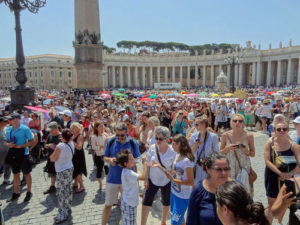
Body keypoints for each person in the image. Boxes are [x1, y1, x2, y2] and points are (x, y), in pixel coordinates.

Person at [101, 123, 140, 225]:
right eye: (117, 135)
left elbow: (138, 159)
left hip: (127, 181)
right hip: (112, 179)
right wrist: (110, 160)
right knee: (107, 205)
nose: (119, 137)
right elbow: (104, 157)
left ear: (126, 133)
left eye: (122, 135)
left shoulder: (132, 142)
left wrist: (128, 163)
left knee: (125, 207)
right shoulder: (111, 141)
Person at [264, 122, 300, 223]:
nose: (282, 131)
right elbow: (267, 161)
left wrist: (288, 174)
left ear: (288, 130)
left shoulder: (294, 146)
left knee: (288, 201)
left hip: (289, 177)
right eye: (279, 129)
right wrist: (280, 173)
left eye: (284, 129)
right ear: (274, 131)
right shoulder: (269, 143)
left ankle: (279, 221)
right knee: (271, 203)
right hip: (272, 175)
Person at [154, 134, 194, 225]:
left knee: (174, 222)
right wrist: (160, 167)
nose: (172, 146)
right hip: (174, 192)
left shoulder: (187, 161)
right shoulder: (177, 155)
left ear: (180, 144)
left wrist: (174, 180)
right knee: (178, 217)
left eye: (174, 144)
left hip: (183, 196)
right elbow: (172, 172)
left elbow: (191, 181)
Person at [141, 126, 176, 225]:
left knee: (166, 202)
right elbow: (147, 164)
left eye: (160, 139)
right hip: (152, 180)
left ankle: (163, 221)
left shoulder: (172, 152)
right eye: (156, 138)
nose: (157, 140)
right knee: (146, 202)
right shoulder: (152, 148)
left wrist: (164, 169)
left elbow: (173, 171)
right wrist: (146, 179)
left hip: (166, 181)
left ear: (166, 139)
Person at [186, 152, 231, 225]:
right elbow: (191, 222)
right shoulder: (198, 191)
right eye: (218, 169)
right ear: (208, 169)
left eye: (226, 169)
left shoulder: (237, 188)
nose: (223, 173)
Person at [220, 113, 255, 195]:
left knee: (244, 191)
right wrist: (227, 148)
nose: (237, 123)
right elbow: (221, 152)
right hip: (230, 166)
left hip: (243, 166)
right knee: (230, 191)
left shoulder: (249, 135)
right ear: (231, 122)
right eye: (235, 121)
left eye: (240, 121)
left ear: (243, 123)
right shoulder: (226, 135)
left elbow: (253, 154)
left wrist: (246, 150)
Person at [4, 113, 35, 202]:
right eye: (9, 119)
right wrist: (8, 144)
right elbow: (5, 141)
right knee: (15, 173)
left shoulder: (25, 129)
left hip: (23, 154)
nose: (9, 121)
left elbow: (32, 142)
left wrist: (21, 146)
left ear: (17, 119)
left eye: (11, 119)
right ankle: (16, 193)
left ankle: (29, 192)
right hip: (13, 153)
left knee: (26, 173)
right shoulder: (9, 129)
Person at [50, 129, 75, 224]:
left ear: (63, 137)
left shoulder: (60, 146)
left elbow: (53, 158)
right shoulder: (71, 143)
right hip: (69, 168)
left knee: (61, 191)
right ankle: (67, 207)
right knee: (68, 189)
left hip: (62, 171)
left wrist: (54, 149)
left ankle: (63, 213)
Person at [117, 149, 146, 225]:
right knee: (131, 223)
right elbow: (144, 177)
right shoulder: (128, 173)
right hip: (130, 203)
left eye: (133, 157)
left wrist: (138, 159)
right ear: (126, 163)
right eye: (131, 158)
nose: (134, 159)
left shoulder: (126, 169)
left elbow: (136, 161)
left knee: (126, 221)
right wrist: (146, 162)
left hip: (126, 200)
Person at [189, 115, 219, 184]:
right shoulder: (193, 136)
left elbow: (216, 153)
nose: (195, 126)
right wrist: (195, 146)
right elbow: (190, 152)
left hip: (208, 166)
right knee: (197, 187)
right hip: (197, 166)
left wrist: (207, 159)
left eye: (196, 124)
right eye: (194, 124)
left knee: (208, 186)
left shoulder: (213, 136)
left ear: (203, 124)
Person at [43, 121, 61, 195]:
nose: (50, 132)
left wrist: (54, 147)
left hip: (59, 159)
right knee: (52, 172)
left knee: (59, 173)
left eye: (52, 130)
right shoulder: (50, 135)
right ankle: (52, 186)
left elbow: (63, 149)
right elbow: (45, 145)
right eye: (50, 130)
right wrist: (47, 145)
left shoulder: (61, 137)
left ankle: (61, 188)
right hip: (50, 158)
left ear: (56, 128)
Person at [91, 122, 109, 190]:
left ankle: (107, 183)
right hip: (98, 155)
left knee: (107, 170)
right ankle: (100, 183)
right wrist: (100, 147)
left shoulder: (106, 134)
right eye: (100, 126)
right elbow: (93, 147)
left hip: (106, 155)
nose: (102, 128)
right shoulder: (94, 136)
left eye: (103, 126)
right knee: (99, 170)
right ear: (96, 128)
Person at [70, 122, 87, 193]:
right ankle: (76, 183)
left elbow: (79, 147)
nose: (73, 129)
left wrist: (71, 141)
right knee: (75, 170)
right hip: (73, 155)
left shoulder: (80, 136)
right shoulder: (73, 136)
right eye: (72, 128)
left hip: (78, 155)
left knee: (78, 170)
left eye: (75, 128)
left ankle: (82, 186)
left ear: (78, 128)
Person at [0, 116, 11, 185]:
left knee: (8, 164)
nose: (5, 122)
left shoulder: (7, 129)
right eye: (4, 121)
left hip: (7, 150)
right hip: (0, 150)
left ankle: (6, 179)